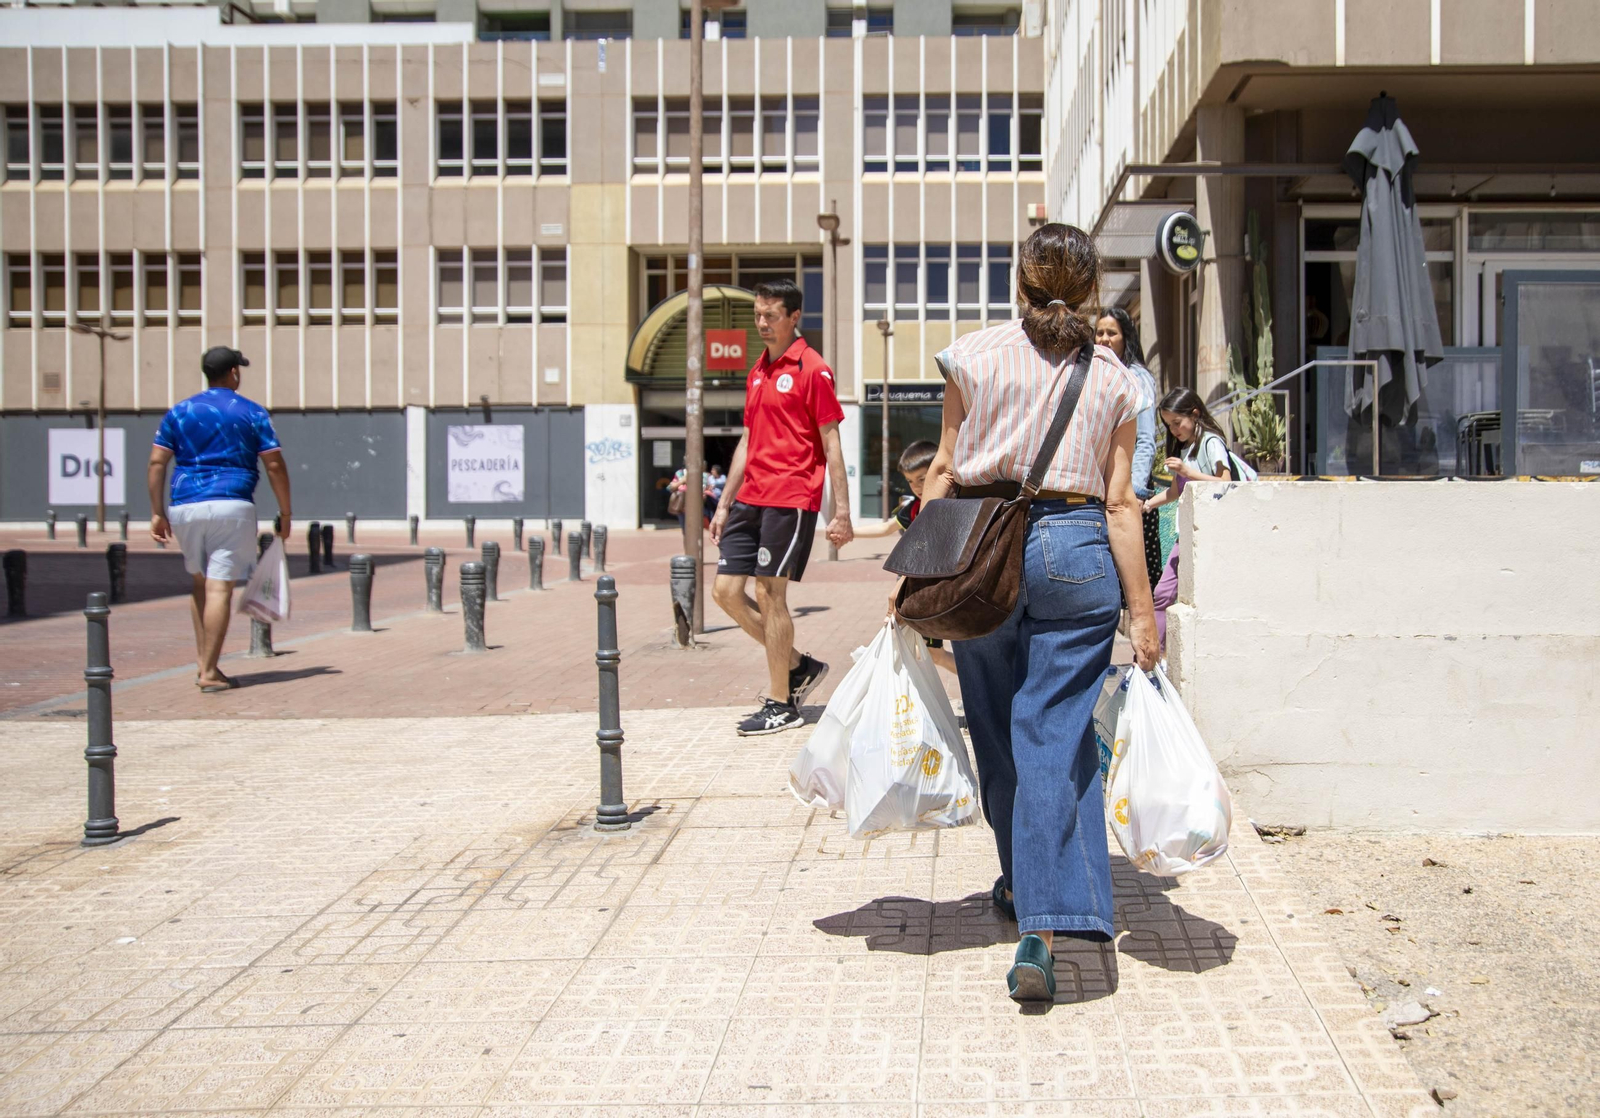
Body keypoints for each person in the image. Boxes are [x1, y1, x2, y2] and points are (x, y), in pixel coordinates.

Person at [911, 222, 1158, 1002]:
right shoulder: (1117, 377)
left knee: (998, 732)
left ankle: (1030, 899)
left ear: (1018, 286)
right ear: (1091, 294)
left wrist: (913, 577)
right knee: (1054, 734)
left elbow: (945, 472)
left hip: (981, 550)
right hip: (1077, 553)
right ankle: (1044, 918)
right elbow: (1122, 503)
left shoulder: (973, 354)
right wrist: (1143, 614)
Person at [711, 278, 853, 736]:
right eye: (758, 315)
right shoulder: (758, 371)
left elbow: (831, 442)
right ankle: (797, 666)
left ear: (794, 317)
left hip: (791, 498)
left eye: (771, 316)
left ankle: (781, 704)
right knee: (725, 593)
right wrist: (723, 503)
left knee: (771, 595)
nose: (762, 323)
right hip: (750, 496)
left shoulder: (813, 369)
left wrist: (842, 511)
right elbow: (748, 440)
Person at [147, 347, 291, 692]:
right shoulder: (252, 412)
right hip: (232, 505)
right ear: (233, 373)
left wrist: (156, 511)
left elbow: (156, 463)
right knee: (219, 588)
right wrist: (285, 512)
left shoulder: (179, 412)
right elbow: (273, 464)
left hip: (184, 506)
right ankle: (209, 671)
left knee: (201, 583)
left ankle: (204, 663)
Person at [1141, 387, 1235, 648]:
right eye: (1169, 425)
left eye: (1177, 423)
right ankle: (1152, 660)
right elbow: (1175, 491)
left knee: (1168, 595)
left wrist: (1186, 470)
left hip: (1210, 534)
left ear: (1195, 414)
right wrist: (1147, 505)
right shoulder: (1187, 448)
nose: (1173, 430)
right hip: (1190, 534)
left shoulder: (1211, 442)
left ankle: (1151, 661)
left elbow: (1224, 481)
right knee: (1163, 595)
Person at [854, 439, 957, 674]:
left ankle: (980, 691)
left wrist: (902, 584)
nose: (917, 487)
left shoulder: (944, 507)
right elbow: (885, 528)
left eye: (922, 479)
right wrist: (851, 533)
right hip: (913, 591)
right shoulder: (912, 509)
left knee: (935, 652)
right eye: (910, 481)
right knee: (929, 652)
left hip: (929, 591)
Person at [1095, 307, 1164, 596]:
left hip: (1129, 491)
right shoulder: (1100, 373)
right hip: (1105, 488)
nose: (1104, 339)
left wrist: (1134, 491)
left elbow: (1146, 439)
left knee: (1134, 582)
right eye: (1099, 333)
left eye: (1112, 333)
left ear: (1126, 338)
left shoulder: (1136, 377)